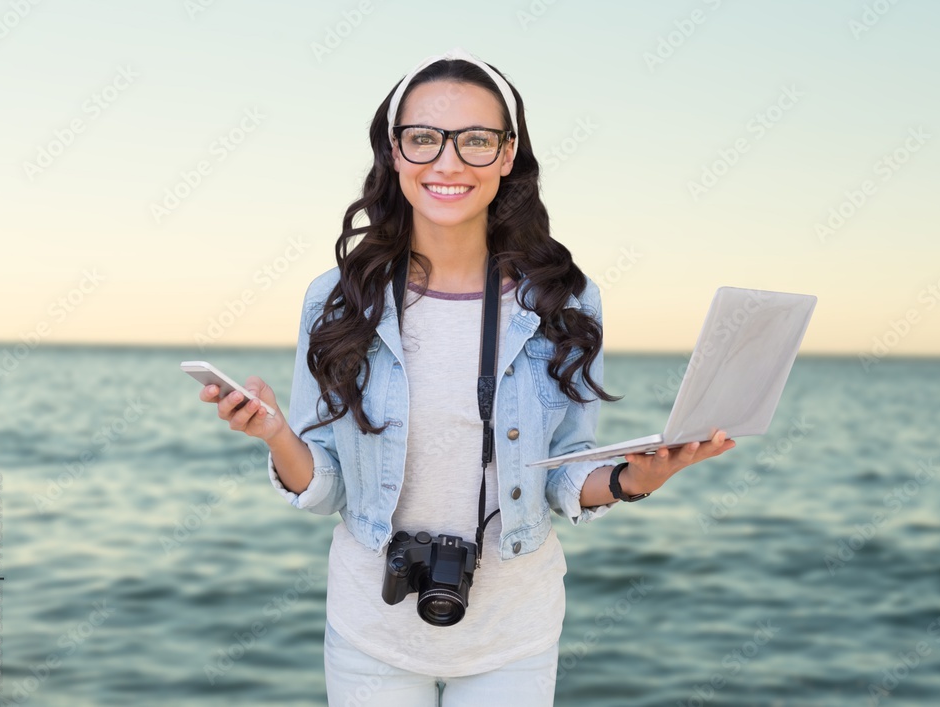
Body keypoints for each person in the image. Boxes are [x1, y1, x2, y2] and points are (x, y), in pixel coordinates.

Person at [197, 47, 735, 706]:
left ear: (508, 154)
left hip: (515, 633)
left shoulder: (566, 300)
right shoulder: (336, 299)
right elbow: (328, 482)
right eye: (423, 139)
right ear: (394, 153)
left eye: (475, 140)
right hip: (371, 631)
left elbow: (561, 469)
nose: (447, 163)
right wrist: (278, 435)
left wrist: (634, 477)